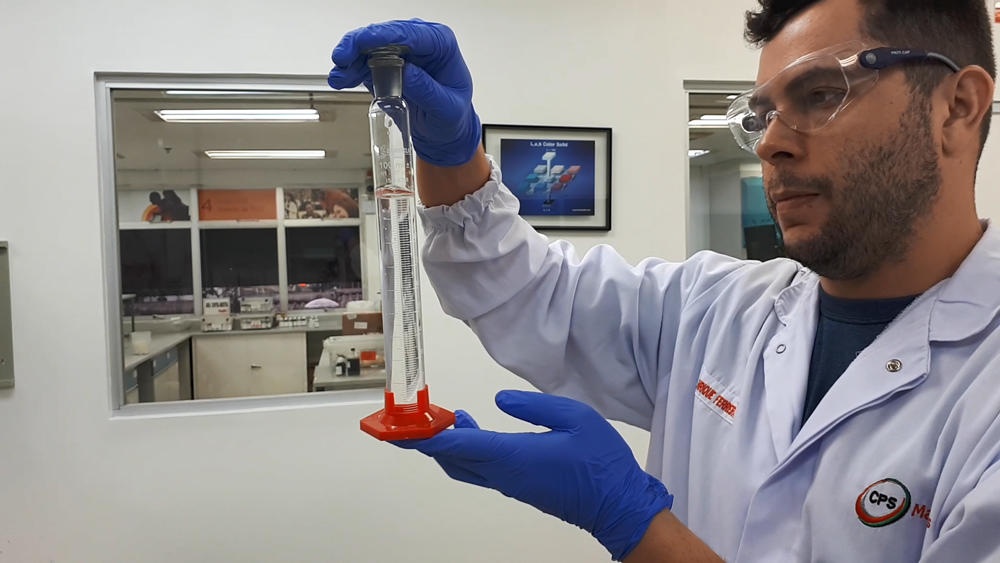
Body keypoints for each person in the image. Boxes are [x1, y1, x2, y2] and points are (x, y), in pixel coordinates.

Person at [328, 1, 1000, 561]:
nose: (771, 142)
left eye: (821, 94)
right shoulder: (717, 309)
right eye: (762, 114)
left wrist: (636, 525)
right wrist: (452, 156)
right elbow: (526, 292)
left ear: (958, 107)